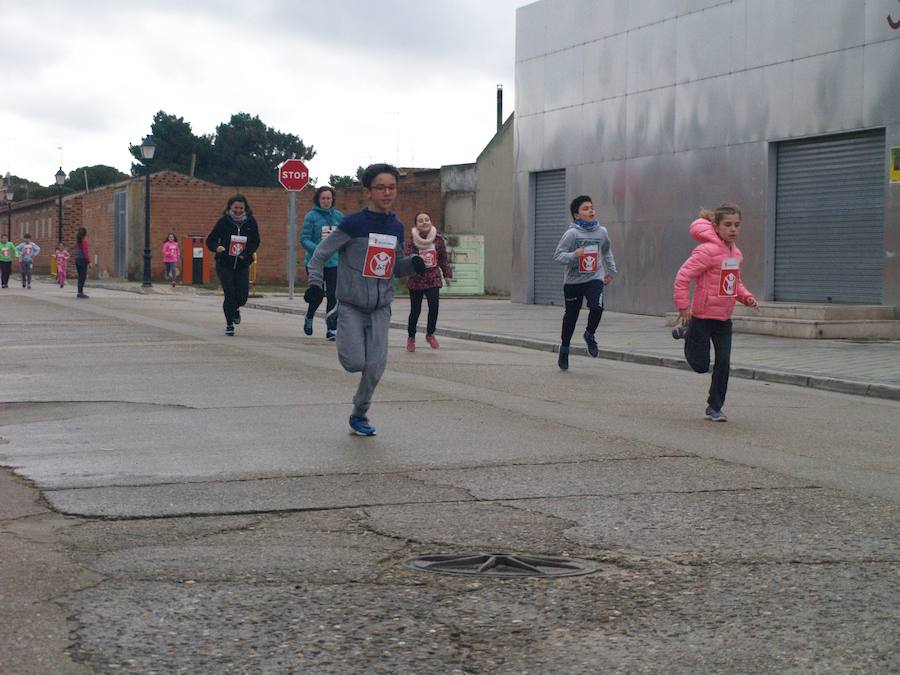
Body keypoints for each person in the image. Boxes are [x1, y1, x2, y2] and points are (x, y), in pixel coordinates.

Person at [305, 163, 426, 436]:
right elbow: (321, 254)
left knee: (375, 367)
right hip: (352, 305)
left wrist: (412, 264)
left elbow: (393, 267)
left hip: (381, 308)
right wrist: (315, 284)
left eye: (392, 187)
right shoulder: (353, 224)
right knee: (354, 363)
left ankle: (359, 414)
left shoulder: (396, 226)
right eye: (380, 187)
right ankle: (335, 314)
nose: (387, 193)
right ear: (368, 192)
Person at [673, 205, 759, 422]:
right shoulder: (707, 251)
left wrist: (747, 297)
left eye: (737, 225)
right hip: (702, 317)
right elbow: (683, 277)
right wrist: (684, 307)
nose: (733, 229)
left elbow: (733, 284)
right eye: (727, 225)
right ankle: (688, 332)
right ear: (716, 227)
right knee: (701, 366)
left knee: (724, 362)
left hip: (723, 319)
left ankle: (715, 407)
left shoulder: (736, 254)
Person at [552, 195, 617, 370]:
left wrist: (611, 271)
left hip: (594, 277)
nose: (591, 211)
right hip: (573, 282)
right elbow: (558, 256)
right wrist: (575, 254)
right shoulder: (572, 234)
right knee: (571, 317)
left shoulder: (601, 232)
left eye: (592, 208)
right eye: (586, 208)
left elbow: (606, 251)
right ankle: (565, 349)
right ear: (577, 215)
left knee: (597, 307)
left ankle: (590, 334)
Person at [206, 194, 260, 336]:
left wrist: (246, 254)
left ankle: (235, 308)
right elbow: (210, 240)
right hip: (224, 263)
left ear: (245, 209)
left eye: (241, 208)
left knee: (242, 297)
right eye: (235, 207)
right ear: (230, 208)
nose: (238, 210)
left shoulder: (250, 222)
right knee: (230, 294)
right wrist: (217, 247)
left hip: (242, 264)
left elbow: (255, 241)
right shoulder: (224, 222)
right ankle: (229, 324)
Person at [404, 212, 452, 352]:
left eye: (427, 219)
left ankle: (430, 334)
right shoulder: (411, 240)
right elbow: (407, 257)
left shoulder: (437, 239)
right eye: (420, 220)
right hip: (416, 279)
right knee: (415, 310)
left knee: (434, 306)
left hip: (433, 278)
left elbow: (443, 257)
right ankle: (411, 337)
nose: (424, 222)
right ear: (416, 225)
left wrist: (447, 274)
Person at [301, 186, 343, 340]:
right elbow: (304, 239)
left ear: (332, 200)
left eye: (329, 198)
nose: (326, 201)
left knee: (333, 295)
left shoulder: (339, 217)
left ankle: (331, 328)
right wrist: (319, 249)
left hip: (334, 262)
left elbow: (344, 237)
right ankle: (309, 316)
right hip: (315, 262)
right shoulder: (311, 216)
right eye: (323, 198)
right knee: (317, 295)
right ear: (318, 200)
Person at [74, 228, 90, 298]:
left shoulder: (78, 242)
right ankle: (80, 292)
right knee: (82, 277)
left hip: (77, 260)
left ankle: (80, 291)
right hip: (82, 260)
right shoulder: (84, 242)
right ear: (85, 234)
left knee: (80, 276)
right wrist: (89, 262)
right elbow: (85, 253)